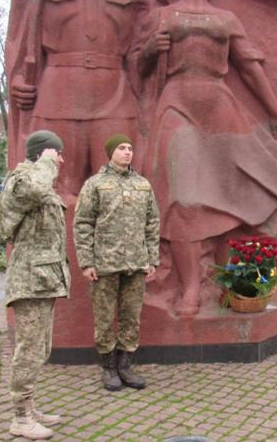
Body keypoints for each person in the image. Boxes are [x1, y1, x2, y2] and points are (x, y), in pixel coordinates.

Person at [136, 0, 277, 316]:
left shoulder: (226, 19)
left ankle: (226, 283)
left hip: (219, 108)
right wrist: (151, 49)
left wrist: (276, 110)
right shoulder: (163, 16)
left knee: (227, 197)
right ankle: (189, 290)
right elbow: (138, 68)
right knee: (183, 199)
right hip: (177, 103)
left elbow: (249, 68)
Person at [5, 0, 177, 198]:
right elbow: (18, 41)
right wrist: (17, 79)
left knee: (122, 191)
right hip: (57, 92)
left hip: (114, 93)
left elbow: (169, 2)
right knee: (56, 191)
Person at [74, 134, 160, 392]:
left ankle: (125, 365)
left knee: (131, 317)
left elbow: (152, 222)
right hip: (104, 263)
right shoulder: (96, 184)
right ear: (110, 152)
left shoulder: (143, 184)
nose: (127, 152)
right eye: (122, 148)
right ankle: (109, 367)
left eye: (130, 148)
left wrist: (151, 258)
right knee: (104, 317)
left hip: (136, 263)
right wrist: (86, 262)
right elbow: (83, 223)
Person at [1, 130, 71, 439]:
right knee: (28, 349)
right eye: (58, 153)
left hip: (44, 279)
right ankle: (19, 417)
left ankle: (30, 408)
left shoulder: (39, 180)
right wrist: (46, 162)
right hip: (28, 280)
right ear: (44, 153)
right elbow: (37, 189)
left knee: (41, 347)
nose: (61, 160)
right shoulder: (22, 181)